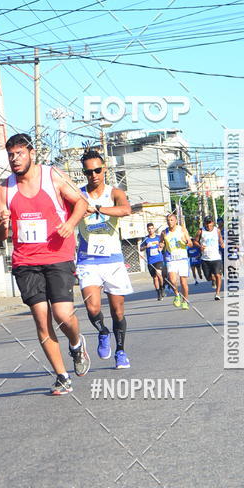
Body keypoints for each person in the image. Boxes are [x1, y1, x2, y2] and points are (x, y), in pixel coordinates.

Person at [0, 134, 90, 395]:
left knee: (62, 314)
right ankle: (61, 376)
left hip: (58, 255)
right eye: (11, 155)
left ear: (32, 153)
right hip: (26, 261)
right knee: (41, 320)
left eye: (20, 153)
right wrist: (2, 224)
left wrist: (70, 224)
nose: (15, 159)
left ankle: (76, 343)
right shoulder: (4, 188)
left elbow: (82, 202)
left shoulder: (52, 176)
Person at [76, 149, 133, 368]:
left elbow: (126, 210)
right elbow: (66, 213)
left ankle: (120, 351)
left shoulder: (114, 192)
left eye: (97, 170)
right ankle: (102, 332)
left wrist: (98, 208)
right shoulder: (79, 195)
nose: (94, 175)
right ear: (84, 173)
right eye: (89, 172)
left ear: (104, 169)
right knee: (92, 308)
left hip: (112, 260)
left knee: (118, 311)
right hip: (87, 258)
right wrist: (81, 211)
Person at [159, 212, 193, 309]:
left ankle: (185, 301)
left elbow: (190, 244)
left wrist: (185, 241)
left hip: (182, 259)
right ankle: (177, 295)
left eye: (171, 220)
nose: (170, 222)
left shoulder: (182, 230)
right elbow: (161, 243)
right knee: (172, 280)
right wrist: (161, 245)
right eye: (168, 220)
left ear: (176, 221)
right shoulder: (164, 232)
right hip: (171, 259)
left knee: (183, 282)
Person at [195, 216, 224, 300]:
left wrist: (222, 243)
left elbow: (220, 239)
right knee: (208, 277)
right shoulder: (201, 231)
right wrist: (200, 246)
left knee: (218, 275)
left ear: (213, 223)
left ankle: (217, 293)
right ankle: (212, 280)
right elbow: (195, 241)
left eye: (210, 223)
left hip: (216, 257)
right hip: (205, 258)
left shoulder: (217, 230)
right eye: (207, 223)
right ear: (204, 223)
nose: (209, 225)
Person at [140, 222, 165, 301]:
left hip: (159, 259)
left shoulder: (158, 237)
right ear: (147, 230)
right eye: (149, 229)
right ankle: (158, 292)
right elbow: (140, 248)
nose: (150, 230)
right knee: (154, 278)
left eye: (152, 228)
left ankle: (162, 288)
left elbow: (163, 244)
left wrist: (161, 247)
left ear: (154, 229)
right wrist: (146, 246)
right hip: (150, 261)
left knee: (159, 274)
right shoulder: (146, 239)